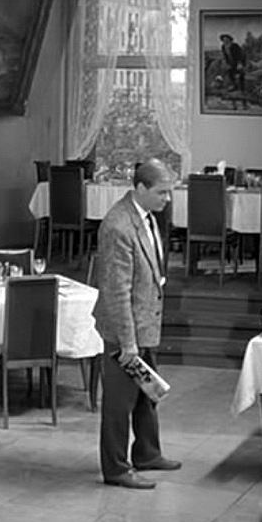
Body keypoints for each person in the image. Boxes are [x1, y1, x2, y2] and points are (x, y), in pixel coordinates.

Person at [93, 158, 181, 489]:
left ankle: (147, 453)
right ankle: (116, 468)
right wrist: (128, 342)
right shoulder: (118, 226)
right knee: (119, 403)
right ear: (140, 188)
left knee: (147, 394)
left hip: (145, 323)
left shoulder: (147, 216)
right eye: (162, 192)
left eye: (169, 192)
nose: (167, 199)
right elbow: (116, 292)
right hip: (124, 331)